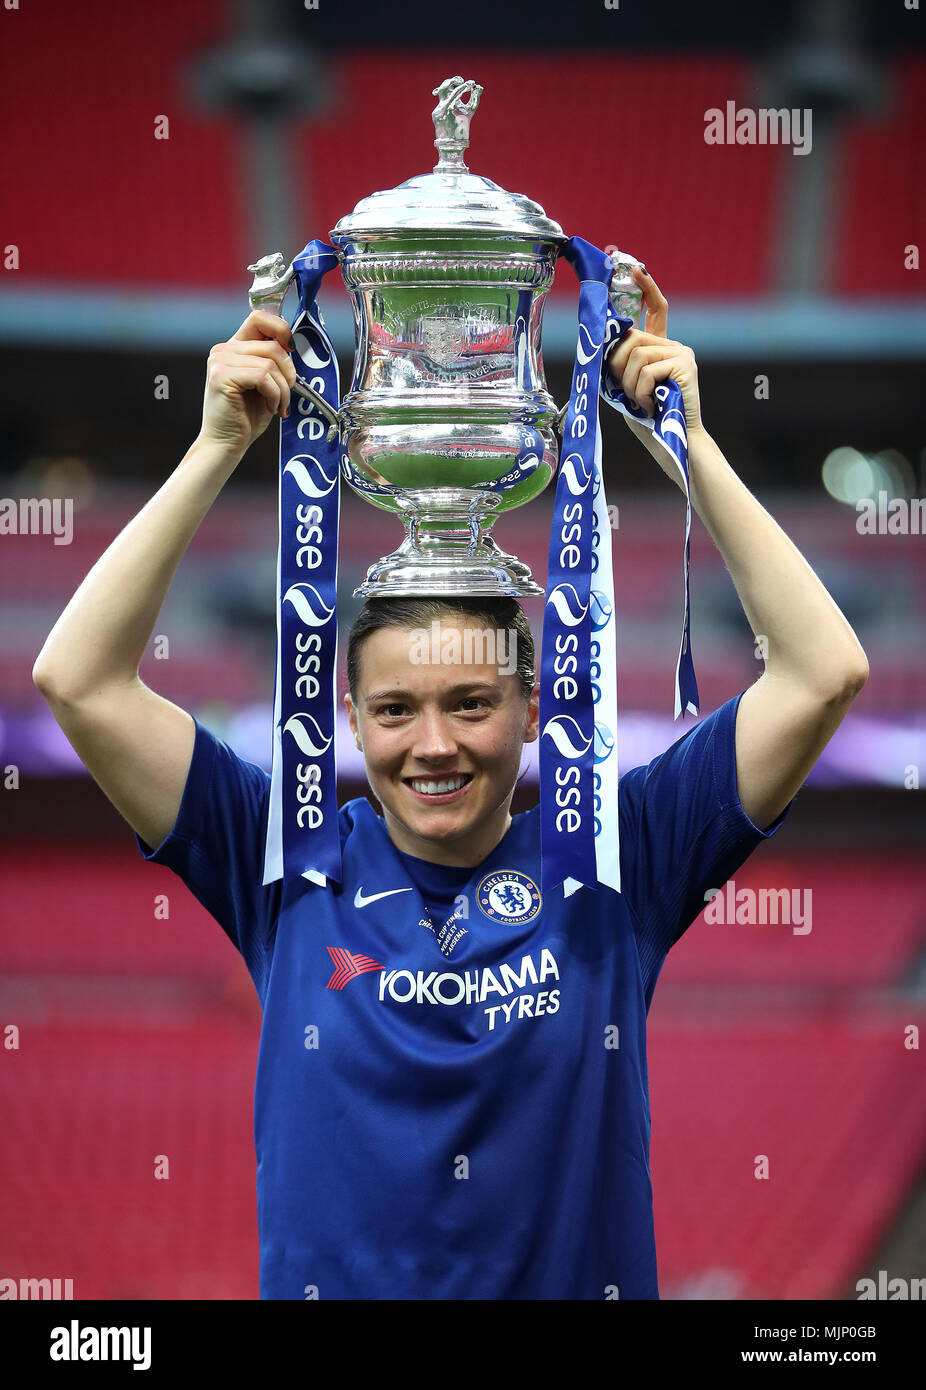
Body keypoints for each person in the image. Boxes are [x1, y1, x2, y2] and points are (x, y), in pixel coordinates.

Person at [32, 269, 869, 1300]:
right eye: (394, 710)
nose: (433, 745)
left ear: (532, 711)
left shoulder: (615, 854)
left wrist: (681, 446)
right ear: (349, 718)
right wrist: (215, 447)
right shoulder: (285, 858)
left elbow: (821, 673)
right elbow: (78, 681)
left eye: (471, 703)